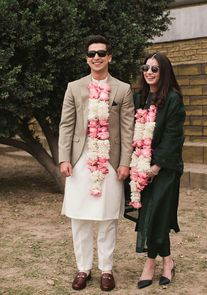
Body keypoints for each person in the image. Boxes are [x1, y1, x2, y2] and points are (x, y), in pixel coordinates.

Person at [58, 35, 134, 292]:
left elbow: (127, 130)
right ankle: (83, 269)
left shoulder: (122, 89)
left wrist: (125, 163)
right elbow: (66, 125)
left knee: (107, 219)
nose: (96, 58)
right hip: (79, 162)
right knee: (78, 218)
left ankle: (106, 270)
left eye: (101, 53)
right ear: (86, 58)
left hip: (110, 164)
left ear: (109, 57)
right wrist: (64, 157)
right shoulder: (74, 87)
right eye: (92, 54)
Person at [129, 52, 185, 289]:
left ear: (164, 73)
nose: (149, 72)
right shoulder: (141, 97)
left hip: (165, 168)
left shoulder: (172, 99)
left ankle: (150, 264)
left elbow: (174, 137)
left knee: (157, 214)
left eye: (155, 69)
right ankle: (168, 261)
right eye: (146, 68)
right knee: (152, 214)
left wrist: (156, 166)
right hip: (142, 167)